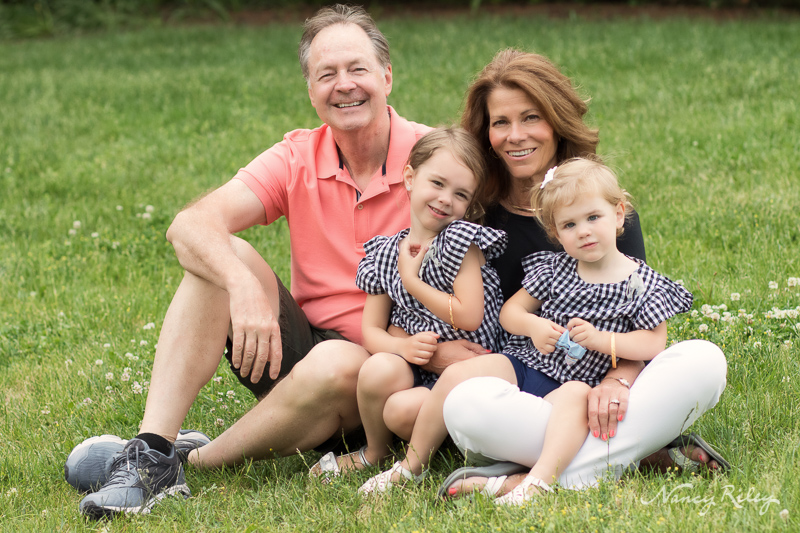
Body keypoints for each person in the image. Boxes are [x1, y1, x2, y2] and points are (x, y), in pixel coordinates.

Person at [71, 4, 435, 519]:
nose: (344, 85)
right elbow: (189, 225)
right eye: (326, 74)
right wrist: (241, 286)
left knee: (340, 361)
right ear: (310, 92)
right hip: (305, 350)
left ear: (387, 76)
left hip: (395, 371)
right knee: (221, 255)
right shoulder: (298, 156)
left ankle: (189, 461)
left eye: (357, 69)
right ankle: (154, 445)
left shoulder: (433, 159)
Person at [401, 49, 726, 501]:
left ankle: (524, 478)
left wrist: (616, 382)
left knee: (704, 360)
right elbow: (428, 300)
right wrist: (432, 353)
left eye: (530, 117)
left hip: (601, 386)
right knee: (464, 406)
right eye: (500, 122)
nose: (515, 136)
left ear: (556, 120)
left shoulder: (602, 213)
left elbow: (639, 326)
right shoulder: (471, 215)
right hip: (517, 384)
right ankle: (629, 454)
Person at [488, 157, 693, 505]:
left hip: (586, 392)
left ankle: (534, 479)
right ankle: (411, 463)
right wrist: (534, 325)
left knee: (574, 394)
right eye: (569, 224)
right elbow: (511, 312)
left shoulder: (642, 284)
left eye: (593, 217)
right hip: (532, 372)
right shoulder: (554, 269)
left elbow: (653, 343)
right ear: (555, 233)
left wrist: (601, 340)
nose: (583, 230)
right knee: (467, 380)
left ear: (618, 214)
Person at [309, 127, 506, 484]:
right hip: (419, 365)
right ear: (410, 177)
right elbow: (372, 331)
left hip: (468, 370)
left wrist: (412, 281)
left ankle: (445, 442)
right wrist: (401, 347)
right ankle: (375, 451)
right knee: (377, 369)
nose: (446, 199)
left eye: (460, 194)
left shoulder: (462, 244)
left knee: (400, 411)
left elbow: (468, 314)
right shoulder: (386, 252)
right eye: (438, 183)